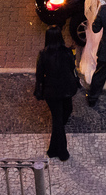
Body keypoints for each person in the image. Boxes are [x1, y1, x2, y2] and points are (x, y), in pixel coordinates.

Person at [34, 26, 79, 161]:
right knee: (61, 117)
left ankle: (53, 149)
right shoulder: (67, 52)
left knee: (58, 120)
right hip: (66, 89)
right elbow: (72, 68)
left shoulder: (43, 54)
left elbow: (40, 74)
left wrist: (39, 90)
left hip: (51, 91)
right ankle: (62, 151)